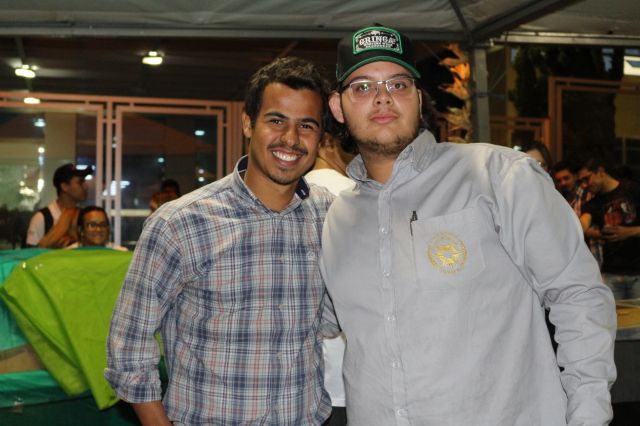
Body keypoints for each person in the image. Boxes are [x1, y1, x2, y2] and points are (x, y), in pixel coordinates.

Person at [320, 24, 616, 425]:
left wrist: (588, 416)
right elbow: (321, 319)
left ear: (418, 99)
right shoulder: (338, 220)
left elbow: (578, 294)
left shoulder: (498, 177)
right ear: (338, 107)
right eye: (362, 87)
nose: (383, 97)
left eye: (398, 84)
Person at [105, 57, 337, 425]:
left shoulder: (331, 216)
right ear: (248, 123)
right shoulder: (180, 223)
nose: (291, 139)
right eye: (276, 120)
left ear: (321, 137)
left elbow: (329, 321)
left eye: (306, 125)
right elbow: (128, 346)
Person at [305, 133, 355, 426]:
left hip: (301, 384)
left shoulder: (286, 195)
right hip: (352, 378)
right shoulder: (357, 195)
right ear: (330, 142)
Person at [578, 157, 640, 300]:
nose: (584, 185)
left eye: (587, 179)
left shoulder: (632, 189)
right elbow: (583, 224)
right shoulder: (593, 203)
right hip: (611, 272)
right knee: (612, 314)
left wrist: (629, 232)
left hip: (637, 272)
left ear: (600, 172)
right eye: (581, 181)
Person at [24, 163, 90, 247]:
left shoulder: (85, 215)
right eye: (80, 183)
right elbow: (31, 252)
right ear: (64, 187)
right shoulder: (43, 217)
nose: (86, 187)